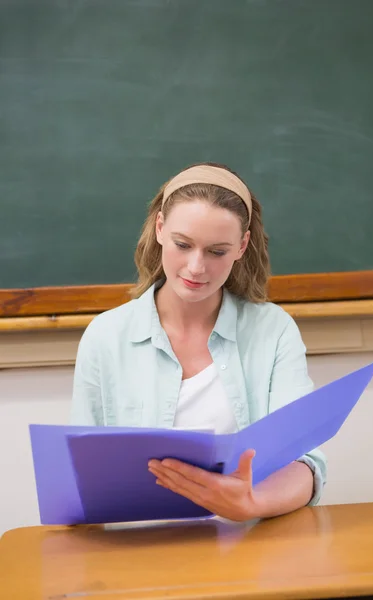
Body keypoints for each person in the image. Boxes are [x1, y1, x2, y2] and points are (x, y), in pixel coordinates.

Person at [71, 162, 326, 522]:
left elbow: (306, 462)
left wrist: (251, 503)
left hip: (248, 554)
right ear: (160, 228)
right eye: (182, 244)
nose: (195, 267)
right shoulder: (106, 336)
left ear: (242, 246)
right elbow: (80, 474)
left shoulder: (273, 331)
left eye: (217, 251)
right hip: (136, 556)